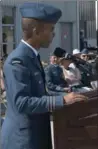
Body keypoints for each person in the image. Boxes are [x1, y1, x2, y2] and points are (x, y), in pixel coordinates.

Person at [1, 3, 88, 149]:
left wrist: (68, 96)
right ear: (36, 31)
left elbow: (40, 94)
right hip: (22, 141)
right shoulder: (18, 60)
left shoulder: (31, 56)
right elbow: (22, 102)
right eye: (51, 29)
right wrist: (62, 100)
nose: (54, 34)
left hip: (35, 137)